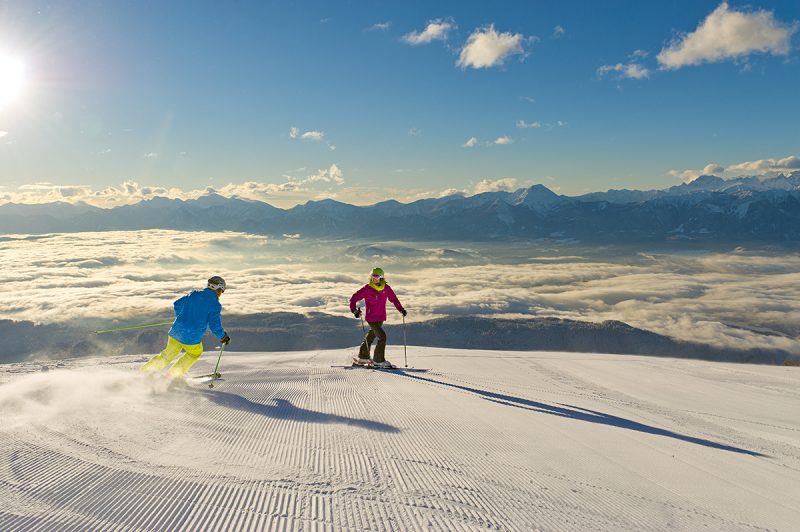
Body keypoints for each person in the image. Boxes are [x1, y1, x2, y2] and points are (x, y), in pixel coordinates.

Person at [141, 276, 231, 378]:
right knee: (194, 353)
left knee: (167, 355)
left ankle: (144, 372)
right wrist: (223, 336)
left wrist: (182, 317)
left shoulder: (194, 294)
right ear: (218, 289)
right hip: (191, 338)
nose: (220, 294)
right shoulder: (215, 305)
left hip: (176, 332)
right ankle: (173, 375)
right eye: (221, 291)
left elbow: (177, 304)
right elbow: (214, 325)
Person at [349, 267, 406, 368]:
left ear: (381, 278)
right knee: (382, 337)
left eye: (376, 277)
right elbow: (353, 298)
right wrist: (354, 311)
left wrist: (401, 309)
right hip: (371, 318)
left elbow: (394, 299)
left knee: (371, 335)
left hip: (381, 317)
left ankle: (363, 358)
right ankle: (378, 361)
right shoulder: (367, 288)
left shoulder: (386, 288)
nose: (374, 279)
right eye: (372, 277)